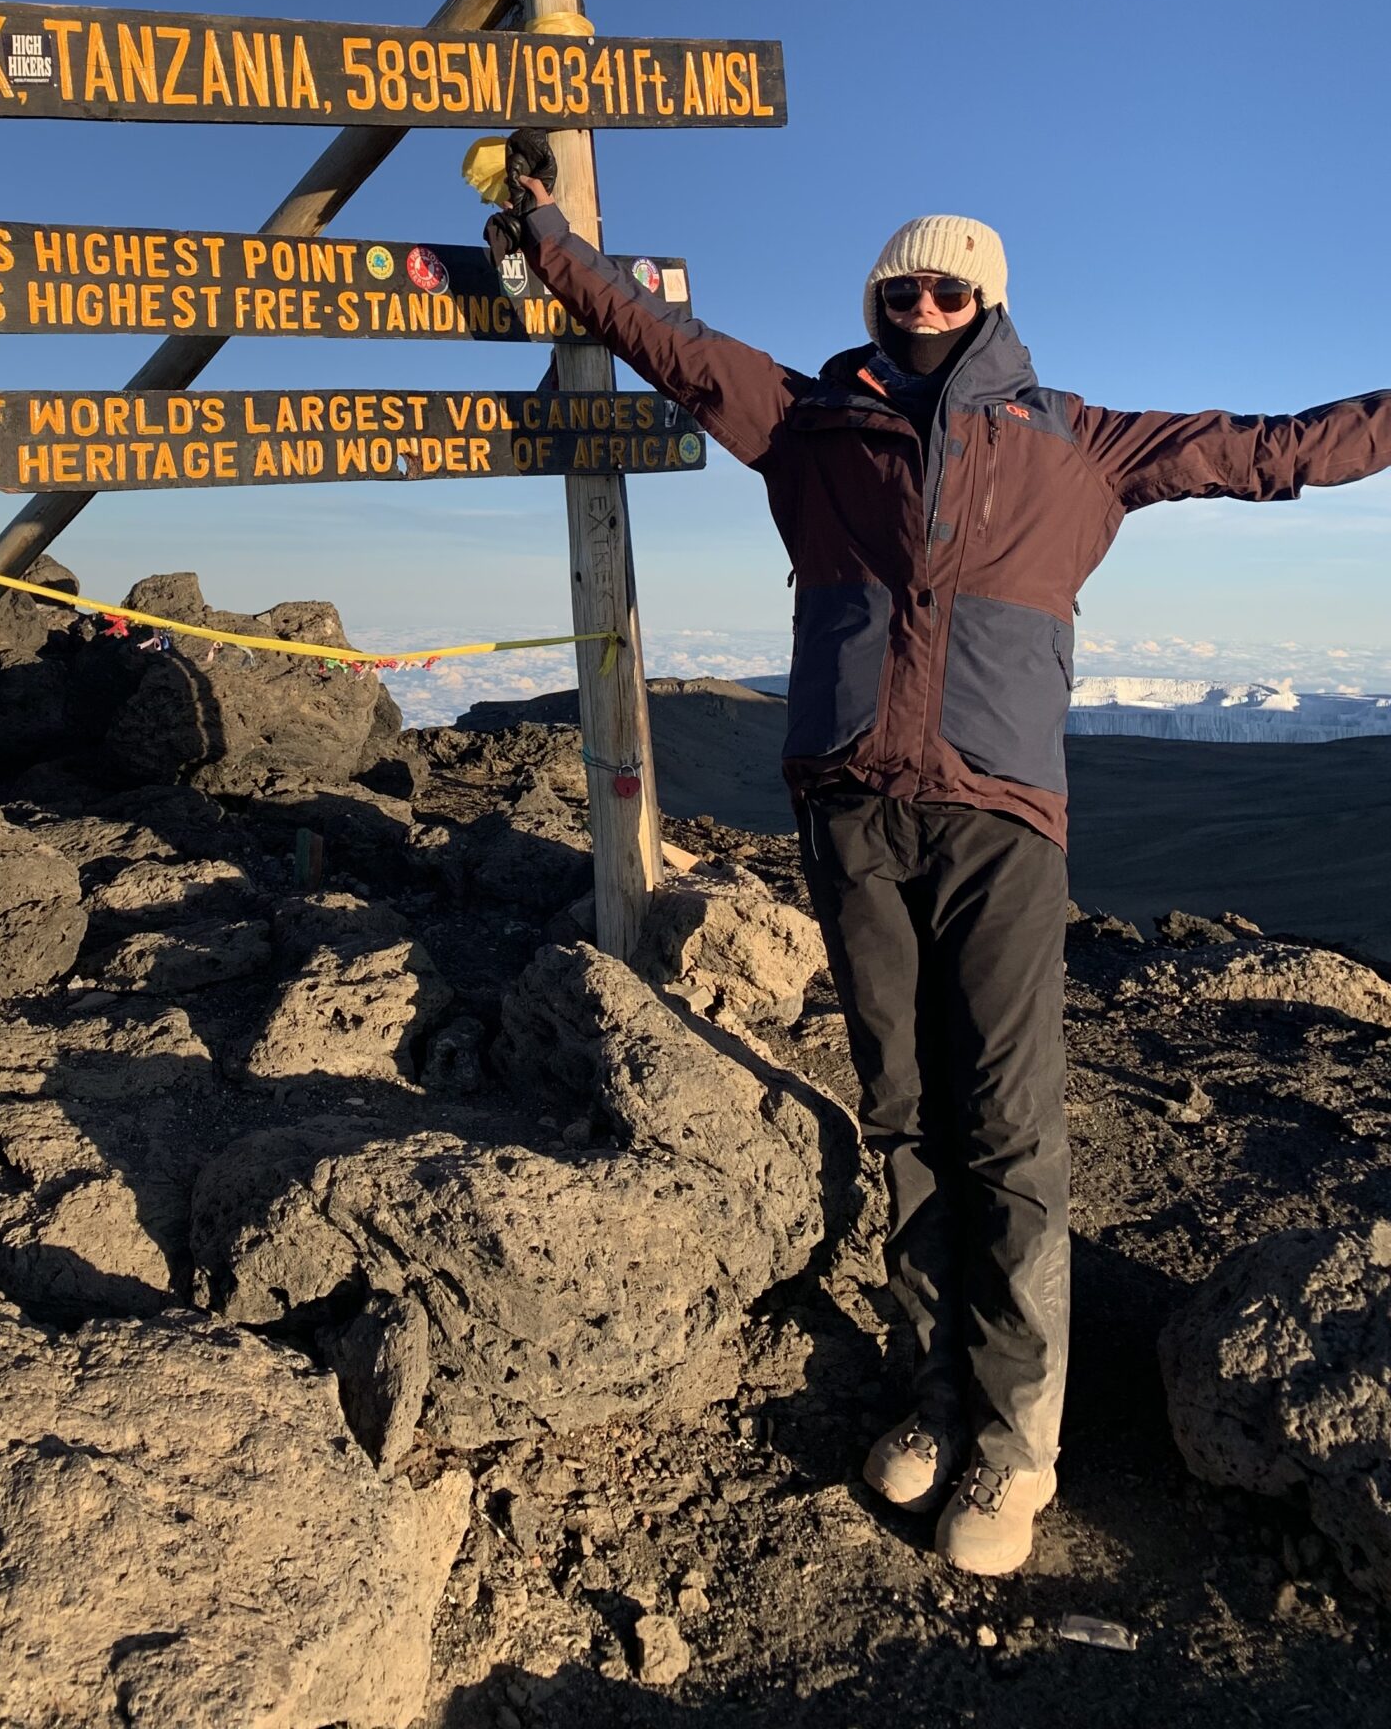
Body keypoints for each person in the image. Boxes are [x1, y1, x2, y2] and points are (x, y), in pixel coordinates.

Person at [486, 140, 1391, 1575]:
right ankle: (933, 1390)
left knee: (1012, 1125)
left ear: (988, 298)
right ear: (878, 293)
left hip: (1000, 820)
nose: (923, 293)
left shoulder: (1079, 438)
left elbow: (1279, 449)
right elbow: (665, 340)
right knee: (902, 1111)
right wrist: (549, 240)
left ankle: (1017, 1449)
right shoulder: (809, 417)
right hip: (849, 806)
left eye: (949, 278)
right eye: (902, 277)